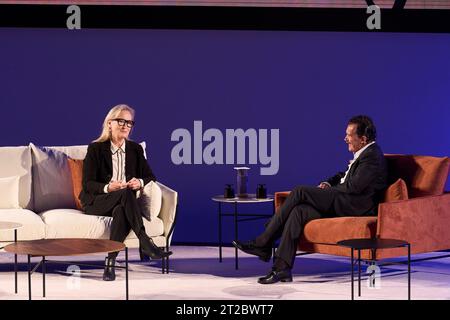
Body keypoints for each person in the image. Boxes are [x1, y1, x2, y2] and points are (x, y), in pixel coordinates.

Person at [233, 115, 388, 284]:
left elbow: (354, 187)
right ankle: (281, 269)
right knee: (298, 212)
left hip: (353, 205)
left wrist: (329, 191)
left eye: (349, 135)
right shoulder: (365, 153)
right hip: (344, 199)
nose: (345, 138)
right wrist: (327, 183)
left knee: (300, 191)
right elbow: (345, 176)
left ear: (363, 139)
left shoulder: (372, 156)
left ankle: (263, 241)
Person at [79, 104, 172, 281]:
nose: (125, 126)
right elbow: (88, 184)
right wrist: (108, 187)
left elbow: (150, 175)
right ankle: (145, 241)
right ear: (109, 123)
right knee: (124, 193)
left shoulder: (135, 150)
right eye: (120, 121)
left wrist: (140, 182)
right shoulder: (96, 149)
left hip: (123, 202)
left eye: (129, 123)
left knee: (122, 208)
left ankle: (110, 263)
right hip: (98, 201)